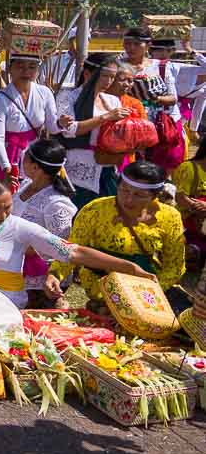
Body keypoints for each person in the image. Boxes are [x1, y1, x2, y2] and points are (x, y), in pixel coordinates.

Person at [0, 177, 156, 309]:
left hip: (3, 303)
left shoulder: (19, 227)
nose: (4, 214)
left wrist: (129, 267)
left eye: (8, 206)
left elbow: (73, 252)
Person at [50, 160, 186, 305]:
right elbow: (72, 247)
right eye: (124, 190)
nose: (129, 199)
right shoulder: (95, 210)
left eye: (139, 195)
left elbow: (174, 267)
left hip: (146, 296)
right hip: (102, 292)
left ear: (155, 195)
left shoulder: (170, 217)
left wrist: (150, 292)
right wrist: (55, 274)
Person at [12, 139, 79, 305]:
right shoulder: (26, 185)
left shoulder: (56, 204)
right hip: (15, 267)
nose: (22, 161)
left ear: (35, 167)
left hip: (41, 282)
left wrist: (26, 247)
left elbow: (62, 246)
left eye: (25, 158)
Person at [56, 55, 128, 207]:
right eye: (104, 76)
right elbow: (70, 130)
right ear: (87, 74)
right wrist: (106, 116)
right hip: (79, 165)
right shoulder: (69, 97)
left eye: (112, 77)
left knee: (107, 210)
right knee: (79, 209)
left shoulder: (112, 100)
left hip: (107, 165)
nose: (108, 81)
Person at [0, 53, 62, 184]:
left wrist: (62, 123)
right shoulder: (0, 99)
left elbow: (53, 127)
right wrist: (6, 167)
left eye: (32, 67)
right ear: (10, 69)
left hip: (30, 155)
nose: (26, 71)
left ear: (37, 70)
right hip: (2, 155)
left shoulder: (45, 93)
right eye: (20, 66)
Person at [121, 27, 182, 172]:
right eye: (127, 43)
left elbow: (172, 98)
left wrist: (154, 98)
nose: (131, 48)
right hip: (126, 124)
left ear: (148, 45)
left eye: (136, 44)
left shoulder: (160, 67)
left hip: (154, 126)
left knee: (153, 166)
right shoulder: (116, 65)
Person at [173, 141, 206, 271]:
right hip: (187, 221)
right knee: (193, 253)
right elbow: (181, 198)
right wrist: (199, 207)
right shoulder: (189, 168)